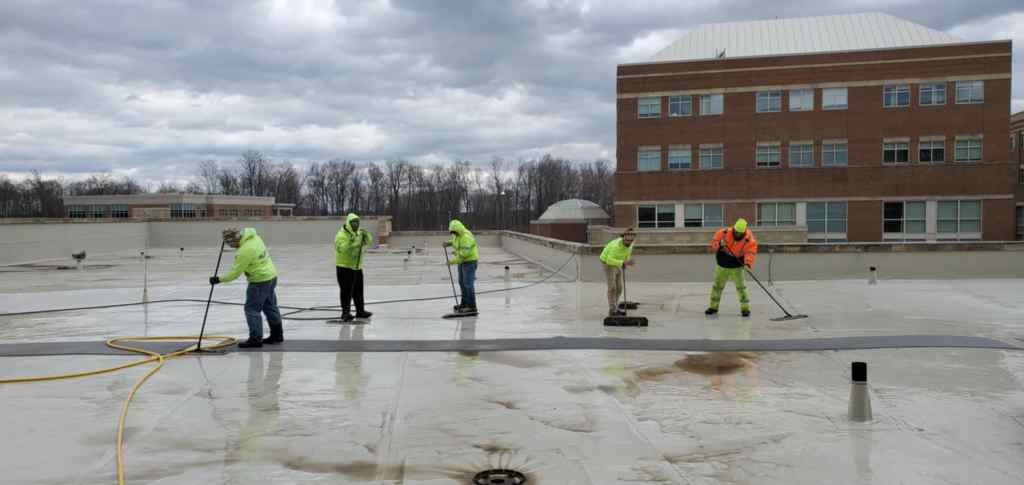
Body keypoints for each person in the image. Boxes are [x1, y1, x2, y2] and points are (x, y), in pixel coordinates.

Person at [209, 227, 282, 347]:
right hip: (271, 276)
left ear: (234, 241)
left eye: (230, 244)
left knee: (252, 309)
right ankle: (277, 335)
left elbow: (234, 273)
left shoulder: (244, 251)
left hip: (259, 281)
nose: (231, 247)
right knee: (270, 306)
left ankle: (255, 339)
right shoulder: (255, 237)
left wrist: (218, 279)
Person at [706, 218, 758, 317]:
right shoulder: (723, 233)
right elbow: (713, 244)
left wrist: (747, 263)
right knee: (717, 287)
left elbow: (750, 252)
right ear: (733, 228)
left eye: (740, 233)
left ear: (744, 232)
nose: (737, 234)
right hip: (722, 264)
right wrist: (719, 244)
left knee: (741, 288)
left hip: (737, 266)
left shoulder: (749, 239)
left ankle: (745, 309)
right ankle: (713, 307)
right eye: (736, 231)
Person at [335, 213, 373, 322]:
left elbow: (368, 242)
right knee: (346, 291)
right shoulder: (341, 235)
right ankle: (345, 313)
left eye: (357, 222)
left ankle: (360, 311)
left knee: (358, 290)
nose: (356, 224)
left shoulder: (359, 233)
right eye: (353, 222)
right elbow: (341, 249)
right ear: (349, 223)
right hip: (344, 267)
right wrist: (351, 242)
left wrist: (367, 235)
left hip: (357, 267)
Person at [443, 219, 478, 314]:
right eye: (452, 232)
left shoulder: (466, 237)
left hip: (469, 262)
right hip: (462, 262)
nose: (453, 234)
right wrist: (448, 243)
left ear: (458, 229)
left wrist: (451, 262)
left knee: (468, 284)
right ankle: (464, 304)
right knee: (462, 283)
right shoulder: (457, 235)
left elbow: (463, 255)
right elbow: (455, 241)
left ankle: (472, 306)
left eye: (454, 232)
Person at [599, 228, 636, 317]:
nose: (629, 242)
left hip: (618, 262)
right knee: (612, 287)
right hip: (607, 263)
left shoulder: (630, 244)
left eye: (631, 240)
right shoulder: (616, 246)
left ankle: (615, 307)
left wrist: (625, 262)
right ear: (623, 237)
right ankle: (612, 309)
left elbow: (627, 253)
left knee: (619, 288)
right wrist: (623, 262)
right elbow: (608, 260)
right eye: (627, 240)